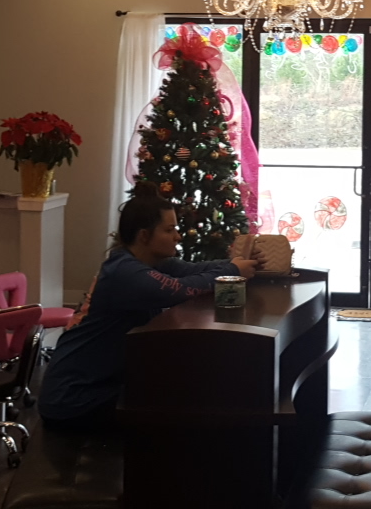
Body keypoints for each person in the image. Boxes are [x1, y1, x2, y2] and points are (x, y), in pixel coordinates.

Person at [38, 183, 257, 432]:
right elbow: (180, 289)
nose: (178, 236)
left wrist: (238, 264)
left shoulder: (150, 262)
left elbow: (195, 270)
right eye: (169, 230)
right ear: (144, 236)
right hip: (73, 399)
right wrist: (232, 270)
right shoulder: (124, 272)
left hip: (97, 388)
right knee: (184, 404)